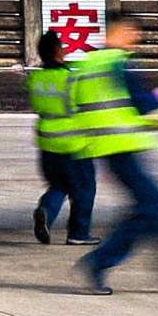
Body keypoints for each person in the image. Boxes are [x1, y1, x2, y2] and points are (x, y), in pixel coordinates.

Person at [68, 7, 158, 294]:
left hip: (104, 147)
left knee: (154, 208)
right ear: (118, 30)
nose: (138, 38)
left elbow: (80, 107)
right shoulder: (119, 63)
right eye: (134, 32)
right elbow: (143, 104)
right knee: (151, 210)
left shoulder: (86, 64)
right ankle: (99, 262)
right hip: (125, 147)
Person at [23, 26, 96, 250]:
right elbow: (87, 107)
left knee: (59, 185)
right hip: (73, 144)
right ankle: (79, 233)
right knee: (84, 189)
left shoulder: (34, 79)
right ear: (58, 52)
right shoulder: (71, 79)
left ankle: (47, 209)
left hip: (47, 143)